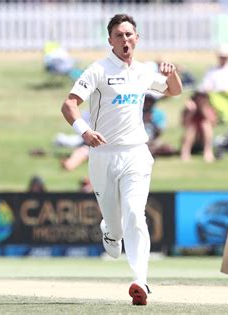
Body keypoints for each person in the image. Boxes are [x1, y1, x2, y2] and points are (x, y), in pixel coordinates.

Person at [60, 14, 182, 305]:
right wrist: (85, 131)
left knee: (135, 212)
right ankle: (109, 232)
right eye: (119, 35)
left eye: (129, 34)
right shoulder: (98, 70)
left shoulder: (143, 71)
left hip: (137, 153)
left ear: (136, 38)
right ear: (110, 41)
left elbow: (174, 90)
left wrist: (171, 72)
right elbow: (69, 105)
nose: (125, 40)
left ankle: (141, 281)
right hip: (103, 154)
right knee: (115, 228)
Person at [180, 90, 218, 162]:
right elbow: (184, 124)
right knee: (192, 127)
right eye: (199, 97)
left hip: (202, 140)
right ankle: (185, 153)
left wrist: (203, 109)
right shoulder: (188, 110)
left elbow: (213, 124)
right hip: (191, 140)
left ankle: (208, 152)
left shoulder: (209, 108)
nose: (200, 100)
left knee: (205, 124)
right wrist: (191, 112)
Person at [143, 93, 178, 157]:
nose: (148, 103)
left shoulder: (158, 113)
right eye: (146, 101)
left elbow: (159, 132)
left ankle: (152, 151)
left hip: (153, 140)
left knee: (169, 149)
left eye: (150, 101)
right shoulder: (138, 113)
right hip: (140, 140)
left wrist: (151, 121)